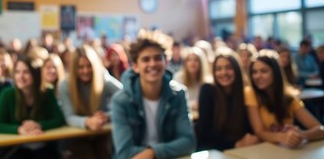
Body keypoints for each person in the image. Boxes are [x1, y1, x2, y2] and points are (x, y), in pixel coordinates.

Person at [111, 30, 196, 159]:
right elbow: (124, 152)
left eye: (157, 58)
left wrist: (153, 152)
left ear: (166, 63)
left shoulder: (178, 94)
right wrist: (167, 150)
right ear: (135, 67)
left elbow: (188, 142)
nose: (152, 64)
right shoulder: (121, 101)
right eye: (146, 59)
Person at [245, 51, 324, 148]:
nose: (257, 76)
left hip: (287, 151)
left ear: (275, 73)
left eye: (264, 71)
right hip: (262, 150)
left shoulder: (289, 97)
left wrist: (302, 135)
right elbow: (259, 131)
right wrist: (282, 137)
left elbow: (321, 130)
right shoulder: (250, 93)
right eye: (254, 72)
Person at [0, 57, 65, 159]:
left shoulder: (47, 92)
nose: (21, 76)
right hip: (16, 149)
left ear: (36, 74)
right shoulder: (7, 94)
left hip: (43, 147)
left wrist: (38, 125)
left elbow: (59, 119)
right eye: (17, 72)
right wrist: (19, 129)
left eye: (26, 72)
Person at [58, 45, 122, 158]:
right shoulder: (65, 85)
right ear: (74, 68)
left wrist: (107, 116)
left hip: (101, 133)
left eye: (89, 66)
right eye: (80, 67)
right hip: (78, 136)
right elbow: (69, 117)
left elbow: (126, 96)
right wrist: (88, 121)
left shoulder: (103, 78)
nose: (85, 71)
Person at [198, 49, 260, 150]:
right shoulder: (208, 90)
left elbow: (250, 128)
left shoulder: (245, 93)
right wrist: (235, 144)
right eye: (218, 69)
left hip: (242, 149)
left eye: (228, 68)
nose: (224, 73)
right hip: (213, 149)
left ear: (236, 69)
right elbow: (205, 132)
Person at [173, 47, 211, 111]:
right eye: (189, 60)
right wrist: (192, 105)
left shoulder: (207, 81)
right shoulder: (178, 78)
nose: (192, 63)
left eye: (196, 60)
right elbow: (176, 102)